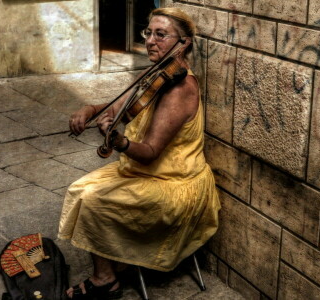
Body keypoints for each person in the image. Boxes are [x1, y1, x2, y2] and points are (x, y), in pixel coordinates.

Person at [58, 7, 220, 300]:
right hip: (143, 172)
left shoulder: (180, 88)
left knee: (95, 201)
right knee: (79, 190)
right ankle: (114, 263)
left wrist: (118, 141)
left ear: (183, 43)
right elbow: (115, 106)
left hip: (175, 183)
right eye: (149, 33)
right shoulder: (155, 74)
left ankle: (105, 280)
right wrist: (88, 111)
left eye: (161, 34)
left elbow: (149, 152)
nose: (150, 41)